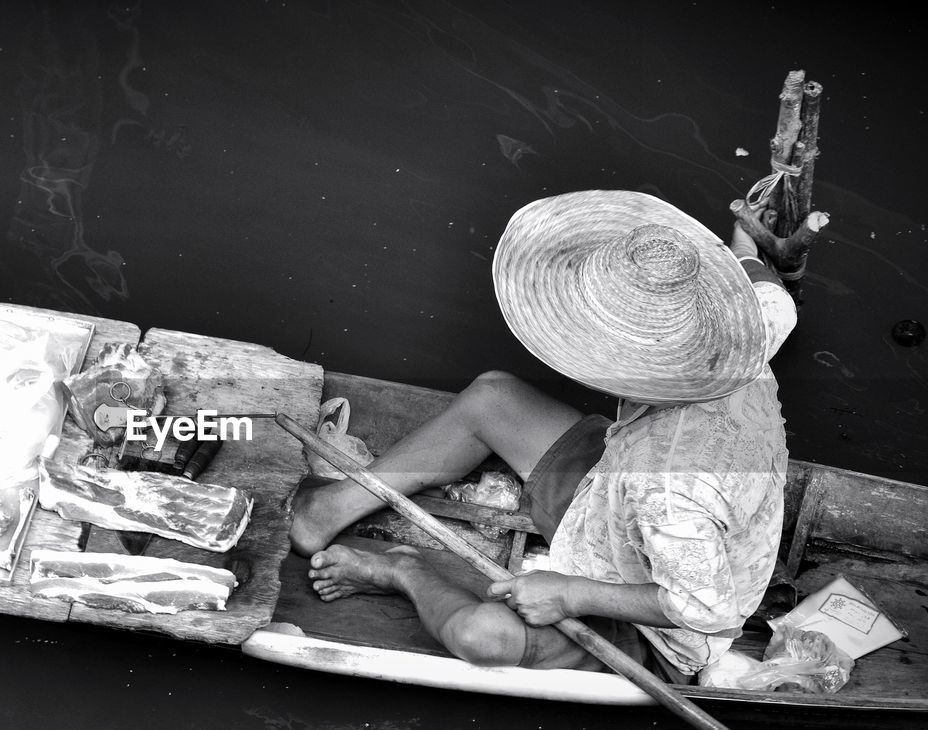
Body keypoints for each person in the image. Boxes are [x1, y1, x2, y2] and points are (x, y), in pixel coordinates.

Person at [289, 190, 797, 683]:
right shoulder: (741, 335)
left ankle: (401, 570)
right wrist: (749, 247)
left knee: (480, 635)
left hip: (655, 626)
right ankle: (328, 509)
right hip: (610, 505)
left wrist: (570, 593)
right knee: (494, 398)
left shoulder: (670, 488)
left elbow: (704, 610)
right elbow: (770, 296)